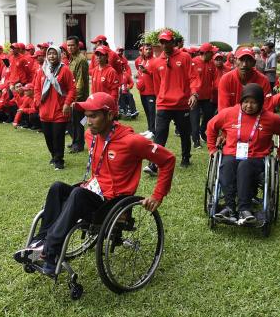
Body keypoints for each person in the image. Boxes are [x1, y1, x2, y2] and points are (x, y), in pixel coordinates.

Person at [13, 92, 176, 275]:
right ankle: (39, 242)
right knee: (57, 187)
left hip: (113, 203)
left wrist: (157, 195)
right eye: (87, 116)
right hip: (93, 193)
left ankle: (49, 251)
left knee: (78, 194)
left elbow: (168, 159)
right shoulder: (91, 135)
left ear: (109, 115)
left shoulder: (131, 141)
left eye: (94, 116)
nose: (88, 121)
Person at [206, 83, 280, 224]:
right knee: (227, 164)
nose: (249, 106)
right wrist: (212, 149)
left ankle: (244, 209)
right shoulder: (229, 113)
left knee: (245, 166)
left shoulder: (270, 118)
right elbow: (211, 126)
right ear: (241, 102)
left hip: (256, 157)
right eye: (246, 102)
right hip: (232, 154)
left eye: (253, 103)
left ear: (261, 103)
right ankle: (229, 207)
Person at [143, 30, 200, 175]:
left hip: (181, 104)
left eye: (167, 41)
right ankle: (154, 164)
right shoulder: (156, 62)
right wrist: (159, 97)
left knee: (185, 133)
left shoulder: (185, 57)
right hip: (163, 104)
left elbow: (193, 77)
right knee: (160, 134)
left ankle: (186, 157)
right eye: (162, 42)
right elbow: (157, 84)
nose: (164, 44)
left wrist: (193, 93)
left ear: (173, 42)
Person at [33, 45, 76, 170]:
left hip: (59, 110)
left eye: (54, 53)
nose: (52, 56)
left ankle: (59, 159)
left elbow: (72, 89)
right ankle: (53, 155)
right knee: (48, 137)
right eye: (49, 53)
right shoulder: (41, 70)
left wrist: (67, 103)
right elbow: (36, 88)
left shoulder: (65, 70)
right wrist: (37, 101)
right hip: (44, 110)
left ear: (59, 55)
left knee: (58, 136)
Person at [217, 47, 271, 112]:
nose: (244, 64)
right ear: (235, 61)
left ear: (254, 63)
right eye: (241, 60)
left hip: (256, 120)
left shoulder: (263, 80)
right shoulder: (226, 79)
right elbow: (223, 110)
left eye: (248, 60)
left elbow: (267, 108)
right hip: (232, 120)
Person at [191, 42, 217, 148]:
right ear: (206, 53)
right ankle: (195, 140)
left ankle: (202, 133)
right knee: (195, 118)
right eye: (212, 52)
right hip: (195, 96)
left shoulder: (212, 63)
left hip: (207, 96)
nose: (214, 54)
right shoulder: (193, 62)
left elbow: (214, 79)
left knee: (209, 116)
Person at [67, 36, 89, 153]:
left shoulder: (81, 60)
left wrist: (75, 99)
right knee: (71, 120)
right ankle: (75, 140)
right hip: (72, 95)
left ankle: (79, 144)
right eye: (68, 45)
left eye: (72, 45)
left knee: (78, 121)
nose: (70, 47)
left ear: (77, 46)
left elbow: (80, 81)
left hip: (78, 97)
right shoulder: (72, 59)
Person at [135, 43, 156, 139]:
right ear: (143, 51)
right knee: (147, 111)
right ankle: (149, 129)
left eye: (150, 49)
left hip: (151, 92)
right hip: (143, 91)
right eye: (146, 49)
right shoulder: (143, 61)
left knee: (151, 111)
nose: (148, 51)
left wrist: (146, 71)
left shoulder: (155, 61)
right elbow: (141, 73)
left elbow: (157, 76)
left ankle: (153, 131)